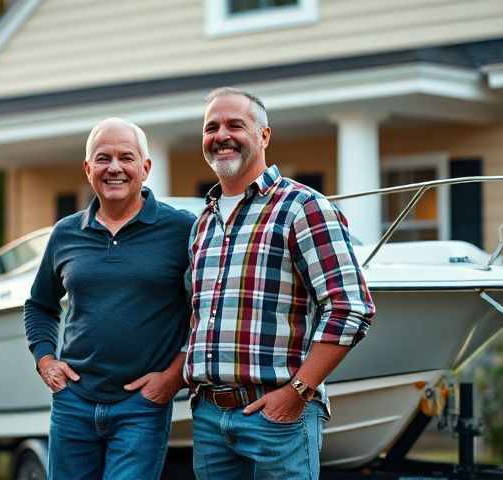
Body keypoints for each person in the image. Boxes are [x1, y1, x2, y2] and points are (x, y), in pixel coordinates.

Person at [185, 87, 376, 479]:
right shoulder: (203, 223)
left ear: (264, 136)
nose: (221, 135)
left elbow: (350, 307)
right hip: (209, 419)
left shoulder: (303, 207)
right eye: (211, 127)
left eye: (235, 124)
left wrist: (297, 393)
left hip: (279, 420)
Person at [23, 117, 195, 480]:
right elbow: (40, 305)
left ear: (145, 168)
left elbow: (206, 309)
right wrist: (45, 360)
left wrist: (173, 376)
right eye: (103, 158)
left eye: (126, 158)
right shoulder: (66, 233)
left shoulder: (181, 230)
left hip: (142, 406)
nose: (114, 168)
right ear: (88, 169)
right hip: (73, 403)